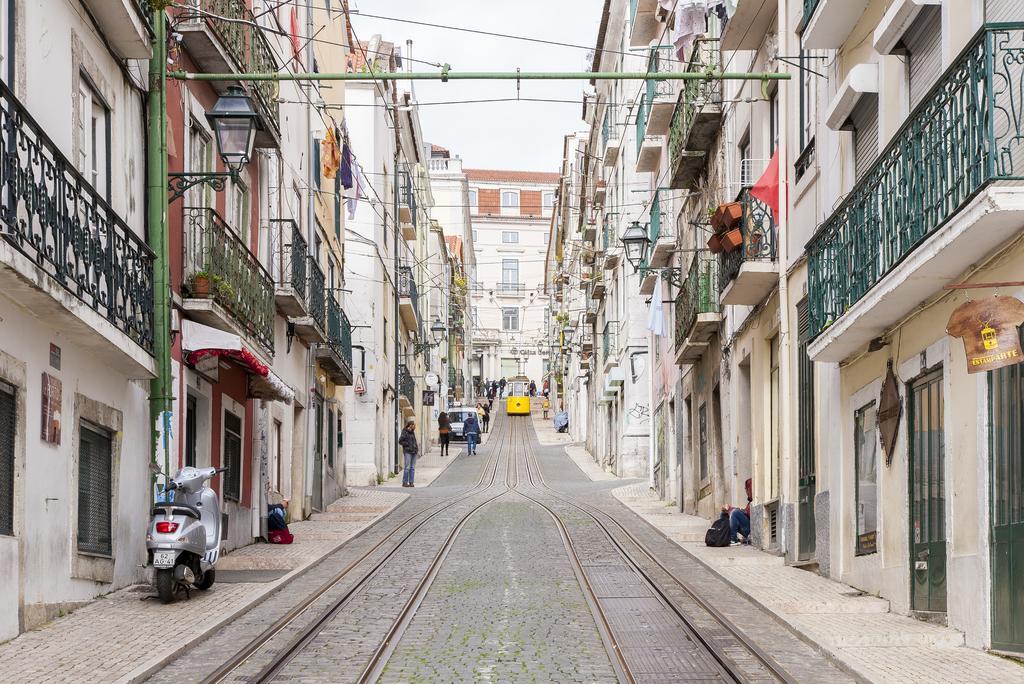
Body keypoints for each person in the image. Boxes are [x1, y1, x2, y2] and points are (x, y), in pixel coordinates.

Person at [721, 478, 753, 545]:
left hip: (751, 530)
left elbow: (751, 515)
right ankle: (724, 536)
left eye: (746, 489)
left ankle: (733, 539)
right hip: (747, 527)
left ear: (749, 489)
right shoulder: (750, 501)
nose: (746, 491)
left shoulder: (755, 499)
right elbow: (745, 512)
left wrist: (733, 509)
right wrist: (728, 509)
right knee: (724, 513)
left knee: (735, 512)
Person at [398, 420, 419, 487]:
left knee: (412, 468)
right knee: (407, 467)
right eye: (414, 425)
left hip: (414, 452)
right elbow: (400, 441)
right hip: (408, 452)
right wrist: (407, 444)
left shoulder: (413, 432)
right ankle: (404, 482)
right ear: (410, 425)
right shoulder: (404, 432)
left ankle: (411, 482)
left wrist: (416, 448)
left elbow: (414, 441)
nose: (414, 427)